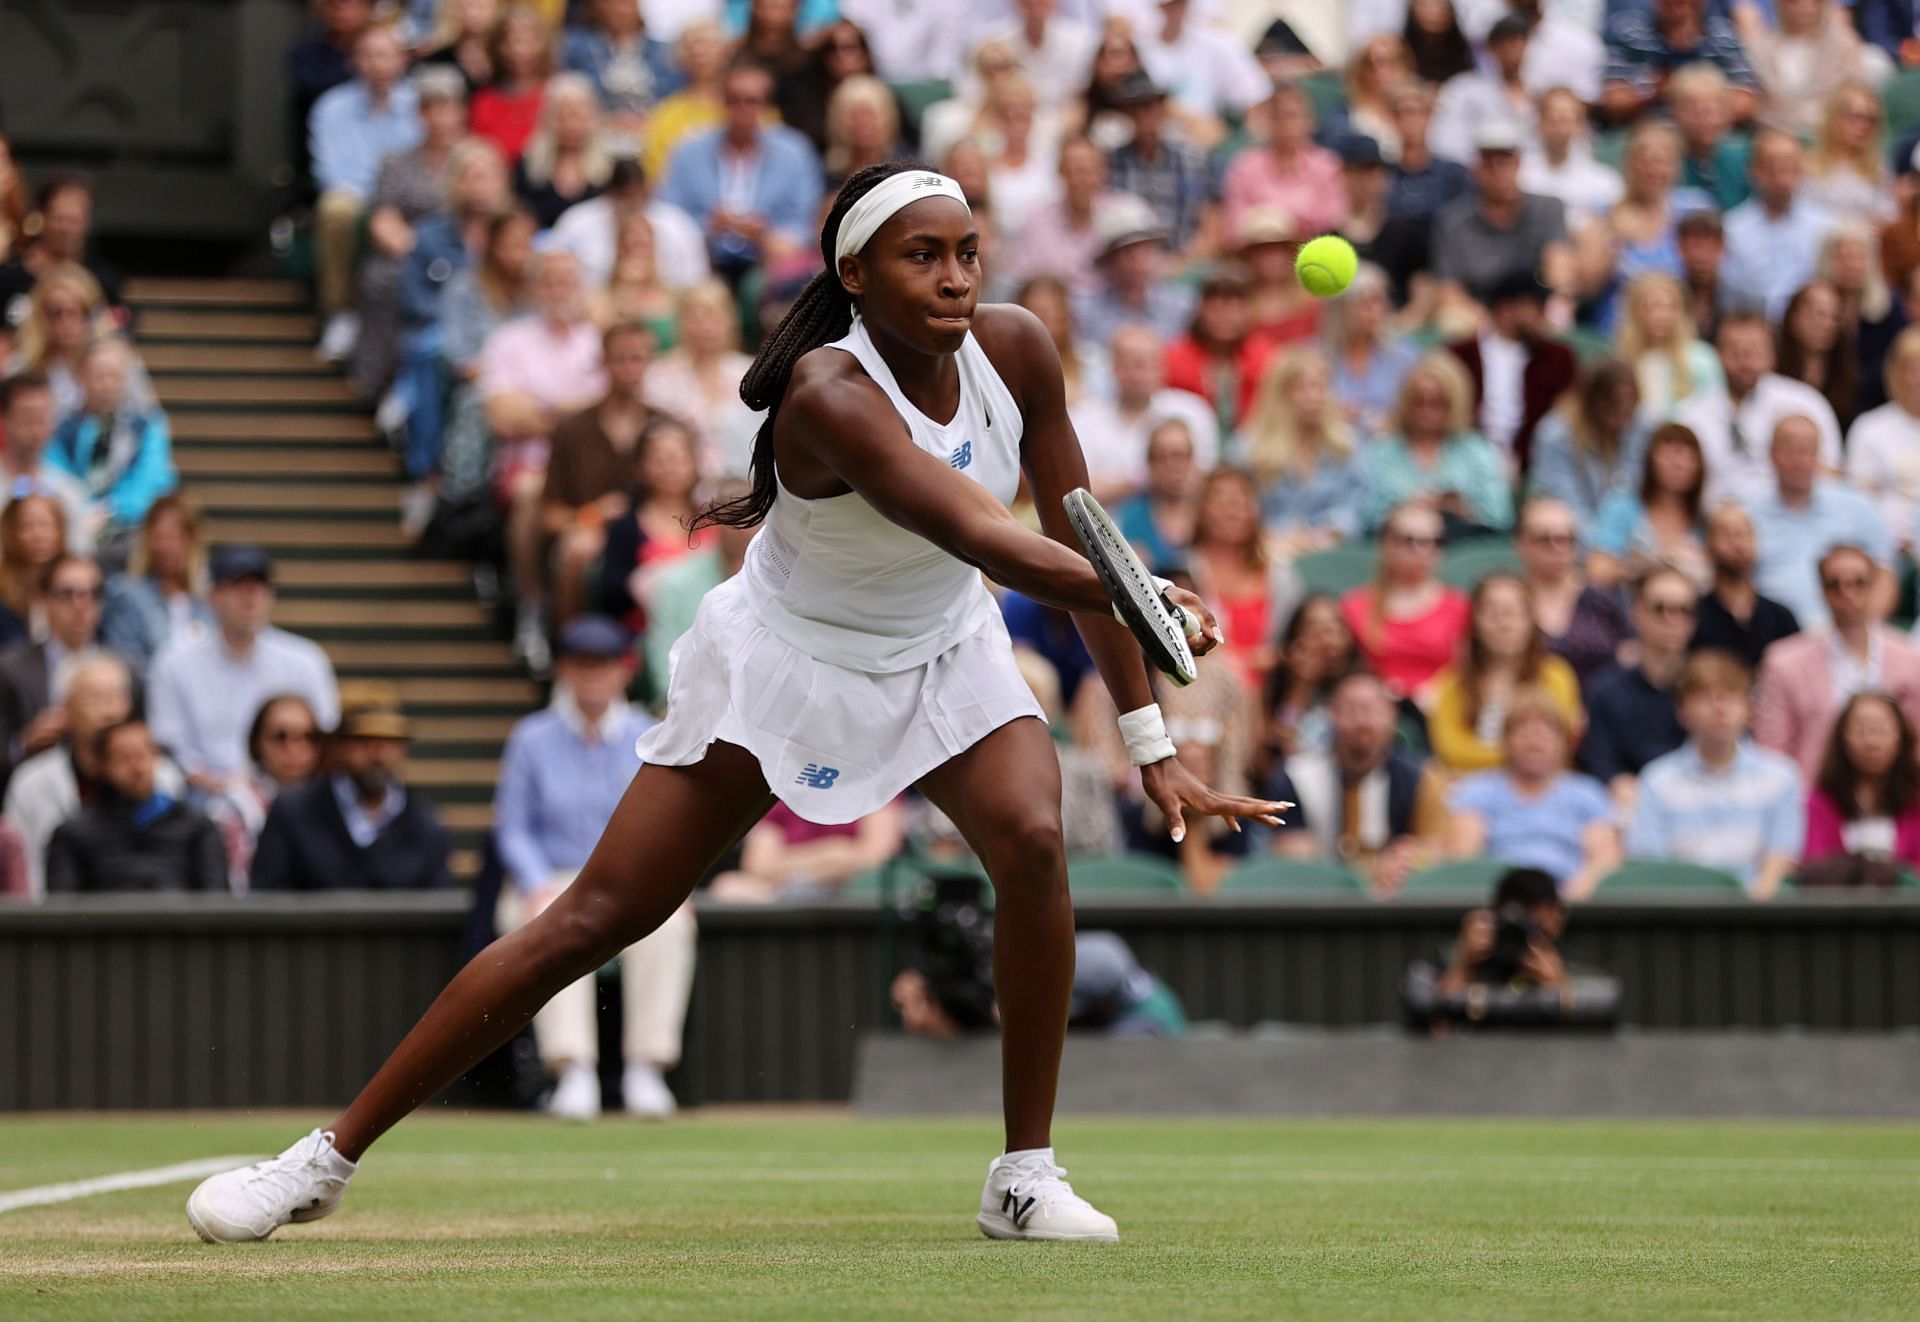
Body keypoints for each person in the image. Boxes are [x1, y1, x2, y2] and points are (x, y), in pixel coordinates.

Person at [186, 162, 1282, 1246]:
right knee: (597, 916)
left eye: (968, 254)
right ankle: (323, 1158)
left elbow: (1073, 528)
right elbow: (993, 538)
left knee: (1035, 838)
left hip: (947, 648)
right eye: (922, 256)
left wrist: (1151, 739)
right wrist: (1139, 594)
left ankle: (1025, 1173)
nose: (956, 279)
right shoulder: (828, 395)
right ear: (853, 272)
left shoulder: (1019, 348)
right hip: (785, 664)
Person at [494, 615, 693, 1120]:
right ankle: (573, 1069)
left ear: (623, 672)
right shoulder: (531, 738)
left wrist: (668, 881)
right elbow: (513, 826)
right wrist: (536, 882)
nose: (592, 677)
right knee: (544, 915)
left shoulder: (650, 735)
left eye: (602, 666)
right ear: (563, 670)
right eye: (582, 665)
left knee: (673, 921)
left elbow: (667, 826)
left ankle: (646, 1068)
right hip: (556, 876)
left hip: (629, 880)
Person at [477, 248, 607, 669]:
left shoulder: (598, 343)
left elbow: (608, 410)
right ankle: (531, 605)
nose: (558, 289)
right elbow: (501, 416)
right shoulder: (508, 341)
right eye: (549, 280)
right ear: (534, 288)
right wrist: (573, 413)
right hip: (529, 465)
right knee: (531, 489)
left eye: (567, 280)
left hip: (593, 469)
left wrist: (540, 410)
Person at [146, 546, 341, 792]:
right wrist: (213, 783)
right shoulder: (173, 663)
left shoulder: (306, 660)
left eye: (259, 588)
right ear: (213, 595)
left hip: (288, 796)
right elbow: (167, 745)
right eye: (238, 587)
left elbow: (326, 735)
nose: (250, 598)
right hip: (201, 801)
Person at [1629, 650, 1803, 898]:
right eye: (1705, 697)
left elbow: (1782, 858)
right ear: (1682, 711)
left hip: (1758, 915)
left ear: (1749, 709)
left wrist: (1752, 909)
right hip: (1680, 916)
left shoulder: (1782, 776)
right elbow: (1649, 863)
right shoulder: (1656, 780)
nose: (1720, 707)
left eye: (1731, 696)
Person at [249, 684, 454, 892]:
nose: (378, 754)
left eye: (390, 741)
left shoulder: (425, 822)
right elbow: (267, 901)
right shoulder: (293, 812)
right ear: (340, 745)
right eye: (364, 741)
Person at [347, 65, 472, 403]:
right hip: (412, 253)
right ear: (420, 114)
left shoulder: (476, 159)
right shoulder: (397, 163)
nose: (442, 118)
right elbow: (383, 219)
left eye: (449, 107)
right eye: (433, 108)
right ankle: (380, 382)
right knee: (383, 279)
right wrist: (421, 253)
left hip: (465, 254)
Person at [542, 323, 682, 624]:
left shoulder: (665, 425)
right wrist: (592, 515)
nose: (629, 367)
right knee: (576, 549)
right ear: (603, 363)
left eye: (638, 358)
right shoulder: (573, 428)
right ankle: (575, 646)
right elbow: (549, 514)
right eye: (620, 358)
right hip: (597, 531)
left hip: (655, 527)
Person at [1, 653, 162, 899]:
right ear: (65, 707)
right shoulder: (31, 783)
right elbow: (23, 874)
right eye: (94, 698)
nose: (108, 711)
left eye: (116, 697)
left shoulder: (162, 776)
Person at [308, 22, 423, 364]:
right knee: (336, 208)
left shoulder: (420, 105)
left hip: (408, 201)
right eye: (369, 55)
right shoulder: (331, 107)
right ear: (354, 60)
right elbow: (331, 173)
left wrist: (391, 204)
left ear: (402, 60)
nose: (377, 64)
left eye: (385, 55)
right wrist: (380, 207)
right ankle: (341, 313)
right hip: (357, 198)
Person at [1753, 544, 1920, 776]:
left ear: (1873, 586)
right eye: (1835, 585)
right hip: (1814, 798)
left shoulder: (1911, 658)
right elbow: (1770, 752)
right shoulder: (1784, 662)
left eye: (1858, 583)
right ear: (1821, 591)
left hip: (1896, 799)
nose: (1847, 594)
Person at [1445, 695, 1619, 898]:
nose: (1534, 742)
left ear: (1565, 743)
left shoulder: (1588, 794)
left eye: (1545, 733)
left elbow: (1605, 862)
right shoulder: (1476, 792)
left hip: (1569, 904)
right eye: (1523, 731)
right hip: (1497, 900)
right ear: (1505, 740)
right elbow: (1463, 860)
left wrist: (1568, 900)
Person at [660, 63, 822, 281]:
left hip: (768, 259)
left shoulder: (794, 153)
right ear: (723, 103)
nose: (743, 110)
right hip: (705, 258)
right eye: (735, 101)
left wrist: (767, 232)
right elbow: (669, 211)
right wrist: (707, 227)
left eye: (752, 102)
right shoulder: (689, 151)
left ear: (766, 106)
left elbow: (806, 218)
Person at [1675, 311, 1841, 507]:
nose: (1746, 362)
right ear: (1718, 353)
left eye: (1756, 351)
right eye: (1736, 352)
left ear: (1772, 353)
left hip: (1791, 522)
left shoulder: (1806, 403)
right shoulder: (1690, 413)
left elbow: (1831, 473)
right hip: (1713, 525)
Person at [44, 719, 228, 894]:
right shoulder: (73, 834)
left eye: (143, 755)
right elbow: (63, 910)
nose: (137, 768)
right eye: (124, 758)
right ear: (102, 765)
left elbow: (216, 902)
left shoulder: (197, 827)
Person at [1428, 574, 1583, 775]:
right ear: (1475, 622)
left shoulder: (1557, 676)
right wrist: (1520, 757)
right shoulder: (1451, 682)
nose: (1504, 625)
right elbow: (1450, 749)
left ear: (1531, 620)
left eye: (1514, 613)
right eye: (1493, 614)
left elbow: (1560, 744)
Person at [1750, 415, 1891, 630]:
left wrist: (1862, 626)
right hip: (1770, 630)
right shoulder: (1747, 512)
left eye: (1807, 451)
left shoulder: (1857, 506)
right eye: (1789, 450)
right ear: (1771, 454)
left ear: (1820, 457)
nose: (1799, 460)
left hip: (1847, 629)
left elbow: (1885, 575)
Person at [44, 338, 177, 559]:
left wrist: (112, 510)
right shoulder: (63, 430)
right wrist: (83, 509)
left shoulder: (146, 427)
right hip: (77, 528)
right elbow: (56, 473)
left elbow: (153, 478)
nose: (107, 385)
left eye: (115, 377)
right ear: (81, 378)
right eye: (99, 376)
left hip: (133, 531)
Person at [1430, 121, 1570, 323]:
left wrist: (1548, 305)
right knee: (1451, 318)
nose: (1499, 172)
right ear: (1476, 169)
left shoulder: (1548, 208)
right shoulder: (1453, 220)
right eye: (1490, 163)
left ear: (1518, 163)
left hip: (1533, 310)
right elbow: (1448, 290)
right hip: (1479, 313)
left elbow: (1560, 268)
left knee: (1559, 313)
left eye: (1506, 162)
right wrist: (1493, 323)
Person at [1580, 566, 1695, 810]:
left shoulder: (1708, 688)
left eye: (1684, 610)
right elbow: (1604, 765)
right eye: (1660, 609)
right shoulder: (1605, 689)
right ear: (1636, 614)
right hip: (1629, 808)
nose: (1672, 620)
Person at [1358, 352, 1512, 535]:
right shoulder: (1380, 452)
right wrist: (1405, 509)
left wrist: (1463, 509)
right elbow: (1364, 518)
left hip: (1463, 546)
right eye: (1419, 402)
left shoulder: (1476, 451)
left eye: (1438, 403)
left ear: (1455, 403)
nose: (1427, 412)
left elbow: (1501, 517)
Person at [1445, 272, 1577, 475]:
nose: (1542, 313)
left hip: (1536, 464)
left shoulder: (1557, 358)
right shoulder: (1461, 356)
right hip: (1466, 461)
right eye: (1535, 305)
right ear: (1506, 309)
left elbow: (1569, 413)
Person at [1235, 347, 1366, 552]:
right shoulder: (1248, 449)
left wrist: (1331, 530)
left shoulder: (1345, 445)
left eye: (1321, 387)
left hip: (1329, 552)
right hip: (1266, 553)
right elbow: (1236, 511)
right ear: (1280, 394)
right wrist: (1271, 537)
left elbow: (1359, 504)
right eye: (1302, 388)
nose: (1314, 397)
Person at [1069, 323, 1216, 502]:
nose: (1139, 373)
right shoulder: (1082, 419)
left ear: (1163, 367)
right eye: (1131, 364)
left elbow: (1207, 478)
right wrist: (1144, 478)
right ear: (1114, 367)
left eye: (1148, 363)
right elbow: (1078, 492)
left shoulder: (1193, 412)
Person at [0, 554, 108, 798]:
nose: (80, 605)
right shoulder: (9, 669)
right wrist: (24, 744)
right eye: (67, 594)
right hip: (32, 799)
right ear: (44, 599)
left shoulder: (123, 670)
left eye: (92, 594)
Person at [1340, 502, 1471, 699]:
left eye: (1432, 541)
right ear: (1385, 544)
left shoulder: (1460, 607)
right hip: (1374, 710)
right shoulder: (1354, 606)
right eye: (1409, 540)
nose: (1421, 551)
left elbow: (1468, 671)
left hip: (1439, 706)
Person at [1187, 467, 1300, 690]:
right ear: (1201, 509)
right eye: (1222, 501)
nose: (1234, 509)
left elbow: (1295, 644)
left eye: (1242, 500)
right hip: (1203, 692)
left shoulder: (1282, 575)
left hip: (1270, 693)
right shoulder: (1183, 573)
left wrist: (1277, 657)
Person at [205, 695, 322, 893]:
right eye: (280, 737)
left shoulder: (337, 801)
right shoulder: (234, 805)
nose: (293, 748)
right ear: (257, 742)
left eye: (307, 737)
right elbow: (236, 886)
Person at [641, 280, 755, 478]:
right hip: (679, 485)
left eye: (713, 316)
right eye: (695, 317)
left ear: (730, 320)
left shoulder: (749, 372)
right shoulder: (659, 376)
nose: (705, 326)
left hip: (745, 483)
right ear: (681, 322)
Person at [1511, 497, 1632, 683]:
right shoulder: (1509, 601)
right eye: (1545, 540)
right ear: (1521, 544)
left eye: (1565, 539)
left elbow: (1630, 655)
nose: (1557, 548)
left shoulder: (1601, 600)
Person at [1801, 692, 1920, 878]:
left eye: (1882, 730)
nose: (1871, 742)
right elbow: (1815, 865)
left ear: (1901, 737)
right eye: (1861, 730)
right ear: (1843, 738)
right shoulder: (1820, 801)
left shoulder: (1915, 799)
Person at [550, 157, 709, 294]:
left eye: (635, 196)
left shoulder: (678, 226)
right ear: (609, 192)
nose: (630, 205)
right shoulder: (577, 222)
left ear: (647, 191)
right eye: (623, 196)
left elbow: (696, 281)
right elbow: (552, 268)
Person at [1721, 130, 1832, 322]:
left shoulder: (1824, 228)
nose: (1781, 177)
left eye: (1789, 167)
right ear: (1753, 170)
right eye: (1771, 167)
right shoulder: (1731, 229)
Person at [1104, 72, 1215, 263]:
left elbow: (1210, 224)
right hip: (1127, 269)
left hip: (1183, 264)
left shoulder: (1192, 160)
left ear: (1162, 110)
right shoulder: (1110, 163)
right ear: (1127, 115)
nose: (1143, 116)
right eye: (1135, 109)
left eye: (1149, 107)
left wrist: (1181, 263)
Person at [1587, 420, 1710, 592]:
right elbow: (1597, 571)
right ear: (1651, 458)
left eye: (1689, 457)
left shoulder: (1704, 520)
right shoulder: (1621, 508)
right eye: (1671, 454)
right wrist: (1649, 563)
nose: (1680, 464)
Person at [98, 495, 213, 679]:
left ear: (191, 541)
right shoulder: (126, 595)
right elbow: (127, 664)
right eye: (158, 536)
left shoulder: (209, 602)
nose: (165, 546)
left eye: (174, 537)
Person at [1529, 358, 1651, 527]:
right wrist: (1605, 546)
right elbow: (1565, 506)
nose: (1623, 414)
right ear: (1594, 402)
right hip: (1576, 539)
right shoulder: (1555, 435)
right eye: (1614, 405)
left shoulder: (1641, 427)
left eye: (1629, 406)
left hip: (1632, 540)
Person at [1745, 0, 1891, 140]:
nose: (1805, 6)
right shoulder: (1763, 49)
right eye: (1794, 1)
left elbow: (1852, 100)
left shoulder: (1843, 48)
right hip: (1776, 137)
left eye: (1815, 1)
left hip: (1829, 141)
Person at [1219, 82, 1346, 243]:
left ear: (1310, 121)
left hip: (1311, 255)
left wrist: (1284, 226)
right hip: (1258, 255)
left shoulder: (1327, 165)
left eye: (1297, 116)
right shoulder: (1245, 166)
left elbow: (1332, 222)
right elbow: (1234, 229)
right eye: (1283, 116)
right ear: (1271, 121)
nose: (1290, 125)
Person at [1601, 0, 1758, 126]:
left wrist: (1699, 99)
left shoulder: (1723, 36)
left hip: (1710, 136)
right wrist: (1654, 91)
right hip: (1649, 131)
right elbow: (1614, 102)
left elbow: (1746, 103)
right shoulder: (1629, 33)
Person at [1070, 203, 1198, 347]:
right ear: (1110, 262)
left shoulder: (1183, 305)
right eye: (1128, 252)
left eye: (1145, 249)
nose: (1139, 259)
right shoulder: (1086, 311)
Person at [1690, 502, 1800, 668]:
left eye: (1745, 534)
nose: (1738, 544)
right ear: (1709, 546)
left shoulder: (1781, 618)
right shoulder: (1694, 616)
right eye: (1727, 535)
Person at [1256, 593, 1356, 767]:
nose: (1328, 641)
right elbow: (1272, 758)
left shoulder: (1362, 685)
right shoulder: (1275, 686)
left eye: (1335, 629)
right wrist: (1300, 687)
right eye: (1315, 631)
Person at [0, 370, 98, 547]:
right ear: (5, 419)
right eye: (27, 416)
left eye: (43, 418)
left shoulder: (69, 492)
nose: (35, 428)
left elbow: (78, 559)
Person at [1321, 263, 1418, 436]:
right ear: (1343, 308)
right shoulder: (1316, 356)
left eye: (1380, 301)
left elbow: (1417, 411)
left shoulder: (1405, 356)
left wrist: (1394, 422)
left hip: (1388, 449)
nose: (1377, 310)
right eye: (1367, 303)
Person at [1429, 14, 1536, 166]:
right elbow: (1445, 144)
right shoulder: (1463, 90)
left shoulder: (1542, 92)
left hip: (1533, 180)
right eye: (1504, 42)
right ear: (1491, 48)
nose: (1512, 48)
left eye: (1519, 41)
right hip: (1476, 178)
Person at [1845, 327, 1920, 547]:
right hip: (1888, 547)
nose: (1918, 379)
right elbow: (1860, 500)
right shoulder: (1870, 428)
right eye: (1912, 369)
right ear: (1895, 373)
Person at [513, 73, 614, 230]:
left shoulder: (611, 168)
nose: (571, 126)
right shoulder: (529, 166)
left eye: (578, 117)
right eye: (563, 117)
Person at [1519, 87, 1624, 233]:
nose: (1560, 129)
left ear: (1580, 125)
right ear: (1539, 124)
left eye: (1566, 120)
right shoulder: (1520, 177)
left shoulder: (1606, 182)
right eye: (1552, 119)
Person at [1799, 82, 1896, 226]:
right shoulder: (1808, 166)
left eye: (1871, 119)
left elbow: (1888, 215)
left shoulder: (1879, 168)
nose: (1864, 126)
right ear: (1834, 117)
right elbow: (1801, 214)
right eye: (1856, 117)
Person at [469, 5, 553, 164]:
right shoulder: (484, 102)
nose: (520, 50)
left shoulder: (556, 96)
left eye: (529, 40)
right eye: (511, 41)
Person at [1111, 419, 1198, 572]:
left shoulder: (1209, 514)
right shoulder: (1130, 518)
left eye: (1180, 456)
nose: (1173, 466)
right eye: (1163, 457)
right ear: (1150, 463)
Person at [1775, 281, 1860, 433]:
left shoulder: (1849, 377)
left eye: (1834, 317)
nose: (1827, 324)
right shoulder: (1773, 368)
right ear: (1793, 317)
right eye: (1818, 315)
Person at [0, 495, 66, 647]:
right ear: (11, 533)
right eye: (27, 526)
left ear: (60, 529)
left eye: (45, 524)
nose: (38, 535)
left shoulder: (78, 581)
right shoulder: (3, 593)